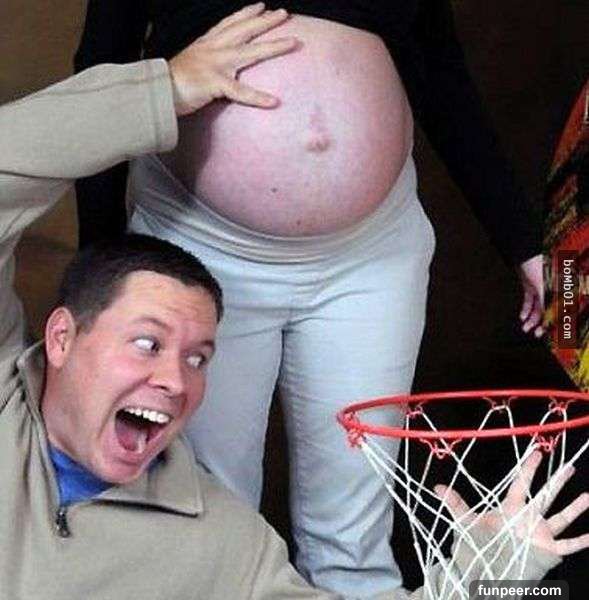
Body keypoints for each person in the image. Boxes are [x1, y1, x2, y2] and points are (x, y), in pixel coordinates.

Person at [2, 13, 589, 598]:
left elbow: (442, 73)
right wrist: (108, 270)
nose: (174, 379)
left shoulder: (232, 551)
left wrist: (488, 583)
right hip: (197, 240)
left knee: (346, 541)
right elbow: (101, 60)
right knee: (196, 500)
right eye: (147, 344)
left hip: (371, 253)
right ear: (62, 335)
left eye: (195, 358)